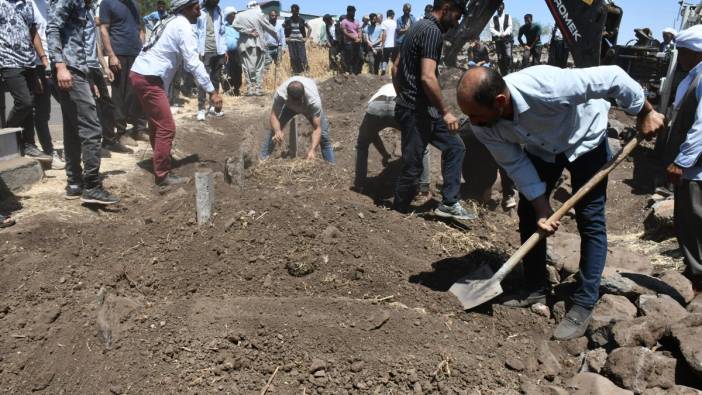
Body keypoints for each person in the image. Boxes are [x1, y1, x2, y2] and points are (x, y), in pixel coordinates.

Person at [456, 65, 665, 340]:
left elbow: (613, 76)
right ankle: (535, 287)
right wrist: (542, 206)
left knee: (590, 219)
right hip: (542, 150)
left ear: (500, 102)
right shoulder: (483, 124)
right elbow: (515, 162)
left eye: (476, 115)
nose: (472, 122)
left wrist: (645, 111)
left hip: (585, 139)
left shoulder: (548, 86)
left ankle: (584, 301)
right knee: (529, 213)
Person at [392, 0, 473, 220]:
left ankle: (449, 203)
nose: (456, 24)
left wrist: (402, 94)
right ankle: (396, 217)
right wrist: (446, 111)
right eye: (456, 17)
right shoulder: (432, 32)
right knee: (412, 167)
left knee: (455, 146)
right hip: (416, 111)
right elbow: (428, 77)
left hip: (424, 109)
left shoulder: (416, 26)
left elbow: (396, 66)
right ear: (445, 9)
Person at [129, 0, 223, 186]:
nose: (199, 13)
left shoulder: (168, 21)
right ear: (185, 8)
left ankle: (160, 160)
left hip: (142, 74)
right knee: (167, 127)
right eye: (196, 9)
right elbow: (193, 63)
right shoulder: (182, 26)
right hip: (149, 78)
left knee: (157, 124)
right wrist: (212, 91)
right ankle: (162, 174)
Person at [48, 0, 120, 205]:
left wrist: (88, 79)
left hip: (78, 70)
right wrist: (60, 66)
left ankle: (74, 183)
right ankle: (92, 185)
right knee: (92, 128)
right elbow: (52, 29)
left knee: (72, 129)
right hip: (69, 69)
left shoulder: (85, 7)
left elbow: (80, 46)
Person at [663, 25, 702, 288]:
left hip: (695, 168)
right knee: (688, 217)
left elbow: (701, 126)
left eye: (683, 52)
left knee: (693, 217)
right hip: (692, 166)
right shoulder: (693, 75)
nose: (680, 58)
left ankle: (698, 275)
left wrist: (682, 161)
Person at [355, 83, 432, 203]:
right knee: (422, 145)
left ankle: (359, 184)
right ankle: (423, 189)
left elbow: (372, 135)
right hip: (397, 104)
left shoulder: (383, 87)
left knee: (362, 145)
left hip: (375, 107)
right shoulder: (407, 85)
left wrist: (384, 154)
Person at [0, 0, 52, 162]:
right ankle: (7, 132)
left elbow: (33, 32)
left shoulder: (26, 4)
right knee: (25, 102)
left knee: (30, 108)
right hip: (8, 62)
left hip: (29, 62)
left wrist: (43, 58)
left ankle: (28, 144)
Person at [99, 0, 147, 144]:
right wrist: (111, 55)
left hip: (136, 54)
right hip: (118, 54)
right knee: (119, 95)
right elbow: (103, 29)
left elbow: (140, 29)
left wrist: (142, 49)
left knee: (137, 92)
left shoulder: (136, 5)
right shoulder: (107, 3)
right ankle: (121, 133)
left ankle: (139, 129)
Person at [87, 4, 132, 154]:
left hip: (94, 65)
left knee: (106, 104)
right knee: (89, 107)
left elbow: (94, 44)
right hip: (81, 66)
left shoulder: (88, 12)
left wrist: (104, 65)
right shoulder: (74, 12)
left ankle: (109, 141)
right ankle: (91, 147)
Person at [260, 76, 335, 164]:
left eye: (298, 102)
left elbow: (317, 128)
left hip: (308, 108)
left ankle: (331, 166)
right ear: (288, 97)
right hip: (288, 108)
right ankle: (262, 160)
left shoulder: (314, 101)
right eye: (293, 102)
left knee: (324, 136)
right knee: (274, 132)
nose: (297, 106)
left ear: (303, 96)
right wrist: (277, 131)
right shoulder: (281, 94)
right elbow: (274, 116)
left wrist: (313, 149)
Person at [27, 0, 65, 168]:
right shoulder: (26, 4)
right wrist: (35, 70)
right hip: (38, 65)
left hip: (57, 63)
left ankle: (72, 147)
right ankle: (49, 151)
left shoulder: (49, 4)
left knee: (70, 105)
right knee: (42, 113)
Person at [232, 6, 277, 96]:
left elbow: (234, 25)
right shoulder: (259, 14)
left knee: (247, 67)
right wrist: (277, 37)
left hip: (244, 45)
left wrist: (246, 31)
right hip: (258, 44)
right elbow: (269, 27)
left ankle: (250, 89)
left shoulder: (240, 15)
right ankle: (258, 89)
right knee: (258, 67)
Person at [195, 0, 227, 121]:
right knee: (203, 80)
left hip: (218, 51)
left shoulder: (220, 12)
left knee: (215, 79)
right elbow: (195, 31)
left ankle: (213, 107)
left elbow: (222, 32)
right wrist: (197, 51)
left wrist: (224, 50)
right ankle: (201, 109)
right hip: (204, 51)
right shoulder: (199, 11)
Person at [283, 4, 310, 74]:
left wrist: (306, 38)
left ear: (298, 11)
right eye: (293, 11)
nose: (295, 12)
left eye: (296, 11)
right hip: (291, 42)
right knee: (293, 57)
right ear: (291, 11)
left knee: (302, 56)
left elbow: (310, 28)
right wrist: (285, 38)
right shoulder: (288, 20)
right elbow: (282, 28)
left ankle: (305, 71)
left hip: (300, 41)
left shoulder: (302, 20)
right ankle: (295, 72)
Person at [490, 2, 513, 75]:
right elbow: (491, 28)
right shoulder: (493, 18)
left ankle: (509, 71)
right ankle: (503, 73)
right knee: (500, 57)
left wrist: (505, 33)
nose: (499, 8)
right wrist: (499, 34)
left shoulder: (508, 16)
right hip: (498, 40)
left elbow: (510, 26)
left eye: (501, 6)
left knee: (508, 56)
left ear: (503, 7)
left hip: (507, 39)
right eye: (498, 6)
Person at [223, 7, 242, 96]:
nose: (232, 17)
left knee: (237, 69)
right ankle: (227, 89)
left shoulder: (239, 26)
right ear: (227, 17)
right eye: (230, 15)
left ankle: (237, 88)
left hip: (237, 51)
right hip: (226, 52)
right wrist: (224, 51)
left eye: (233, 15)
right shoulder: (224, 27)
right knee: (227, 70)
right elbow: (222, 39)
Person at [341, 5, 362, 75]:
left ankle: (355, 73)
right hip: (349, 43)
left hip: (357, 42)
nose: (354, 13)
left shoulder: (356, 21)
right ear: (348, 12)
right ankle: (349, 72)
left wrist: (359, 38)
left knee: (358, 58)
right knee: (349, 58)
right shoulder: (344, 21)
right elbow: (344, 32)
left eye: (354, 12)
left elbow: (359, 30)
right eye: (353, 12)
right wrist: (354, 38)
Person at [379, 9, 396, 76]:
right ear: (392, 15)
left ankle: (383, 72)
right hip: (394, 45)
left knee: (385, 59)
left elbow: (384, 34)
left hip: (386, 45)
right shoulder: (395, 23)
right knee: (394, 60)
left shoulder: (384, 22)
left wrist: (382, 45)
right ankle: (393, 74)